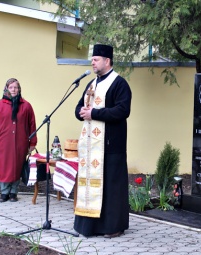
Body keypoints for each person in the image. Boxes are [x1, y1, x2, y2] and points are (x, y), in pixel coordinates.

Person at [74, 44, 132, 238]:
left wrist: (94, 113)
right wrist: (81, 112)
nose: (92, 62)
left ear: (107, 61)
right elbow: (79, 108)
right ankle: (89, 226)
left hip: (111, 145)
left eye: (96, 59)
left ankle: (114, 227)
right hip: (91, 147)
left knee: (112, 187)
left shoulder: (119, 83)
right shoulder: (92, 84)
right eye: (92, 59)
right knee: (91, 185)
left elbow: (123, 111)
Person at [0, 78, 37, 203]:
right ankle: (4, 192)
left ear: (19, 89)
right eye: (11, 87)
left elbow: (32, 125)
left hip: (20, 142)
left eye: (15, 87)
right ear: (6, 89)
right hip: (3, 142)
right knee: (4, 166)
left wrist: (32, 143)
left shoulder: (26, 106)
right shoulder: (0, 105)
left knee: (17, 166)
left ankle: (13, 193)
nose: (13, 90)